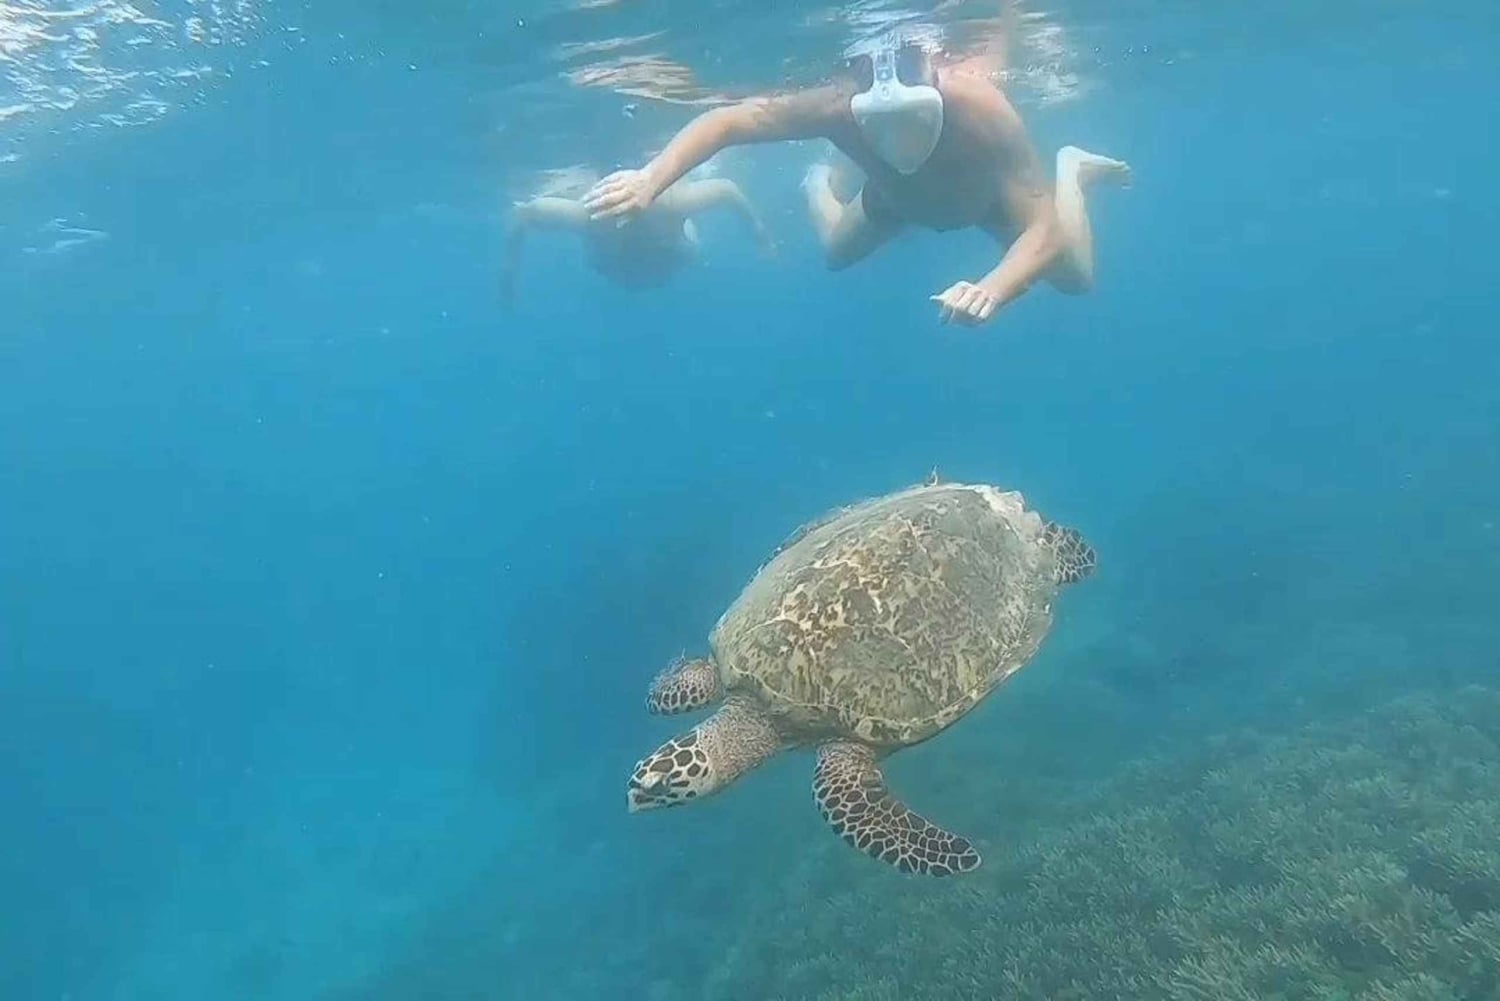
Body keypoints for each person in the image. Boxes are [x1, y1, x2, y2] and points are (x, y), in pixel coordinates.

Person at [583, 35, 1130, 326]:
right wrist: (651, 178)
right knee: (835, 255)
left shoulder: (979, 104)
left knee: (1076, 278)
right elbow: (728, 121)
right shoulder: (834, 107)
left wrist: (994, 287)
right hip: (891, 201)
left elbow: (1042, 228)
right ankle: (816, 183)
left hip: (988, 204)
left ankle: (1071, 169)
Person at [502, 171, 774, 302]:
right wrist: (759, 235)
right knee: (681, 253)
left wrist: (509, 272)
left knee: (686, 252)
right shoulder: (592, 215)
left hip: (654, 256)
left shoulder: (671, 203)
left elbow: (525, 213)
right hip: (631, 259)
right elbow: (727, 190)